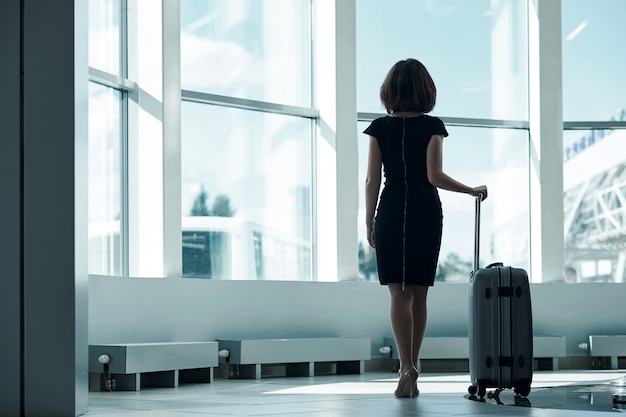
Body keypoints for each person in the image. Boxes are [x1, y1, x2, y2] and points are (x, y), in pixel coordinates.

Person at [363, 58, 488, 398]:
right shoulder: (433, 125)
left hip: (390, 208)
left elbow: (373, 179)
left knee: (396, 293)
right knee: (419, 293)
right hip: (424, 210)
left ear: (389, 91)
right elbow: (434, 176)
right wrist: (471, 190)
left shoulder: (378, 128)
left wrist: (369, 218)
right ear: (425, 90)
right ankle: (413, 365)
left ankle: (405, 366)